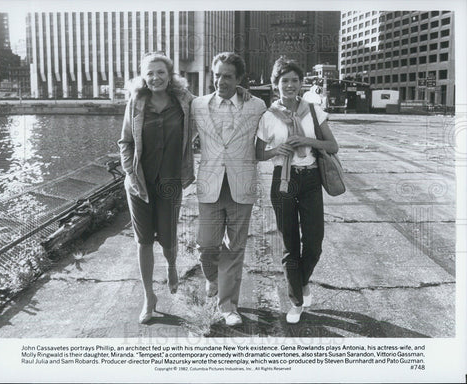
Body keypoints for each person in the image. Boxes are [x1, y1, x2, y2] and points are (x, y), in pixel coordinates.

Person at [255, 57, 339, 324]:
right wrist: (275, 150)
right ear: (275, 85)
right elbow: (258, 153)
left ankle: (301, 282)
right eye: (284, 81)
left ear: (301, 83)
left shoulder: (313, 110)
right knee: (290, 244)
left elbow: (332, 146)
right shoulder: (268, 116)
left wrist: (305, 139)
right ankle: (296, 301)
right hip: (283, 181)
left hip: (311, 179)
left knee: (314, 243)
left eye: (294, 80)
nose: (290, 85)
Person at [190, 52, 266, 326]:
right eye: (217, 75)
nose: (221, 81)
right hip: (210, 184)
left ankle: (229, 306)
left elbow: (274, 126)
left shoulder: (257, 106)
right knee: (207, 247)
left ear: (240, 79)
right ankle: (213, 278)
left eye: (228, 76)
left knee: (234, 249)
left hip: (241, 185)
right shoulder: (197, 105)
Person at [118, 52, 195, 324]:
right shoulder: (136, 102)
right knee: (144, 241)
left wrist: (241, 92)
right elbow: (125, 142)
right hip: (140, 185)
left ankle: (172, 265)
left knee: (169, 238)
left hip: (171, 183)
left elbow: (214, 108)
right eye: (149, 73)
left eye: (160, 72)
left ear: (170, 74)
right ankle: (149, 296)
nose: (155, 78)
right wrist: (131, 172)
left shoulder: (185, 102)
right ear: (143, 76)